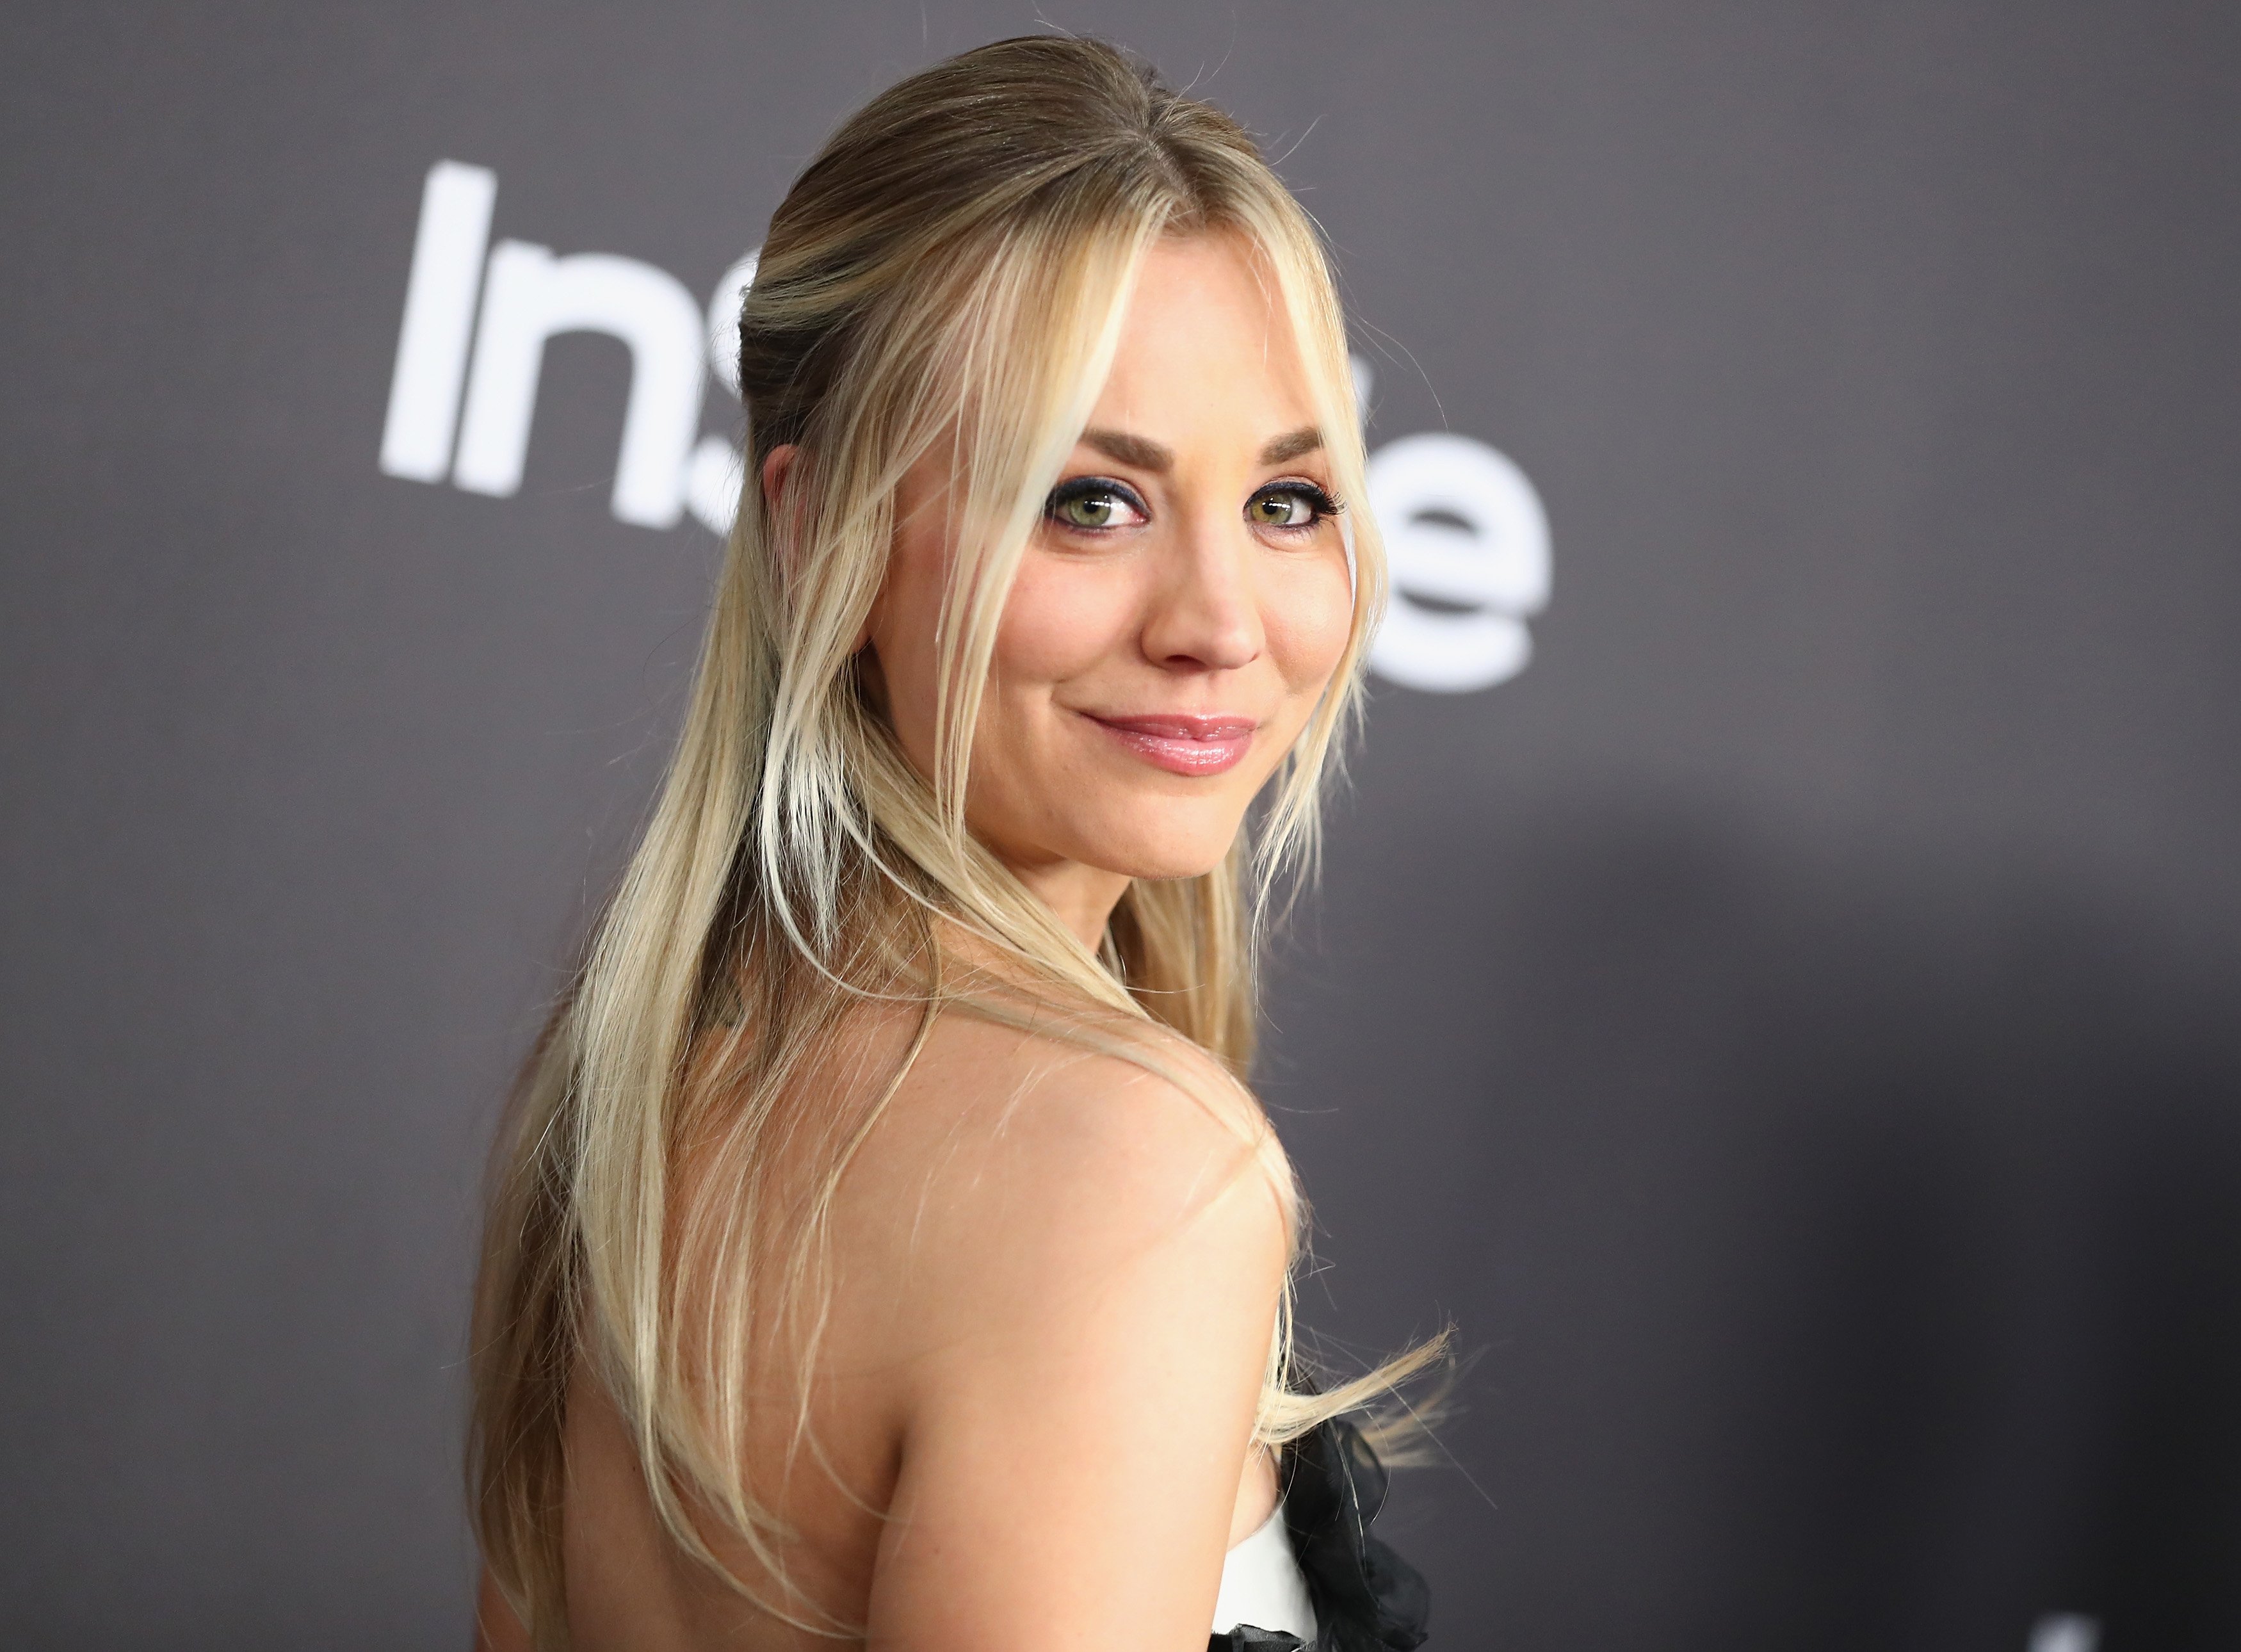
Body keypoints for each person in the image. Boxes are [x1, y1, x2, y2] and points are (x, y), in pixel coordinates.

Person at [470, 35, 1441, 1652]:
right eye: (1090, 499)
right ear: (814, 532)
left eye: (1285, 502)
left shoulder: (636, 1094)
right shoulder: (1130, 1169)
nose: (1220, 622)